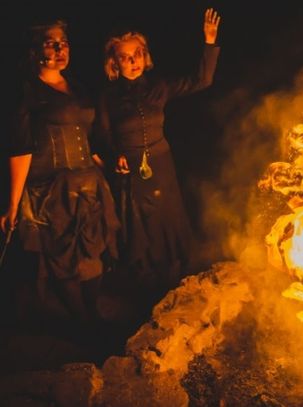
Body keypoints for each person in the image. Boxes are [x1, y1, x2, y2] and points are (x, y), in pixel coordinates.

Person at [0, 19, 120, 331]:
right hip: (50, 190)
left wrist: (106, 165)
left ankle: (91, 314)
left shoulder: (77, 87)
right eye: (50, 42)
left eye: (63, 41)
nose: (59, 48)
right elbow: (21, 148)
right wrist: (13, 204)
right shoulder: (26, 91)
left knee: (92, 253)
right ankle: (83, 323)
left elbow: (87, 133)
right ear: (34, 50)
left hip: (88, 184)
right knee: (62, 261)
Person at [95, 8, 221, 304]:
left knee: (168, 224)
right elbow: (102, 137)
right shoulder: (108, 97)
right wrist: (116, 157)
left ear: (144, 55)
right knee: (141, 231)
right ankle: (145, 295)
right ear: (114, 62)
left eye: (136, 54)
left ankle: (175, 288)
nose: (132, 61)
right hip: (132, 176)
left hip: (162, 165)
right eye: (124, 57)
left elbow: (201, 80)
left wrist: (210, 41)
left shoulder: (158, 87)